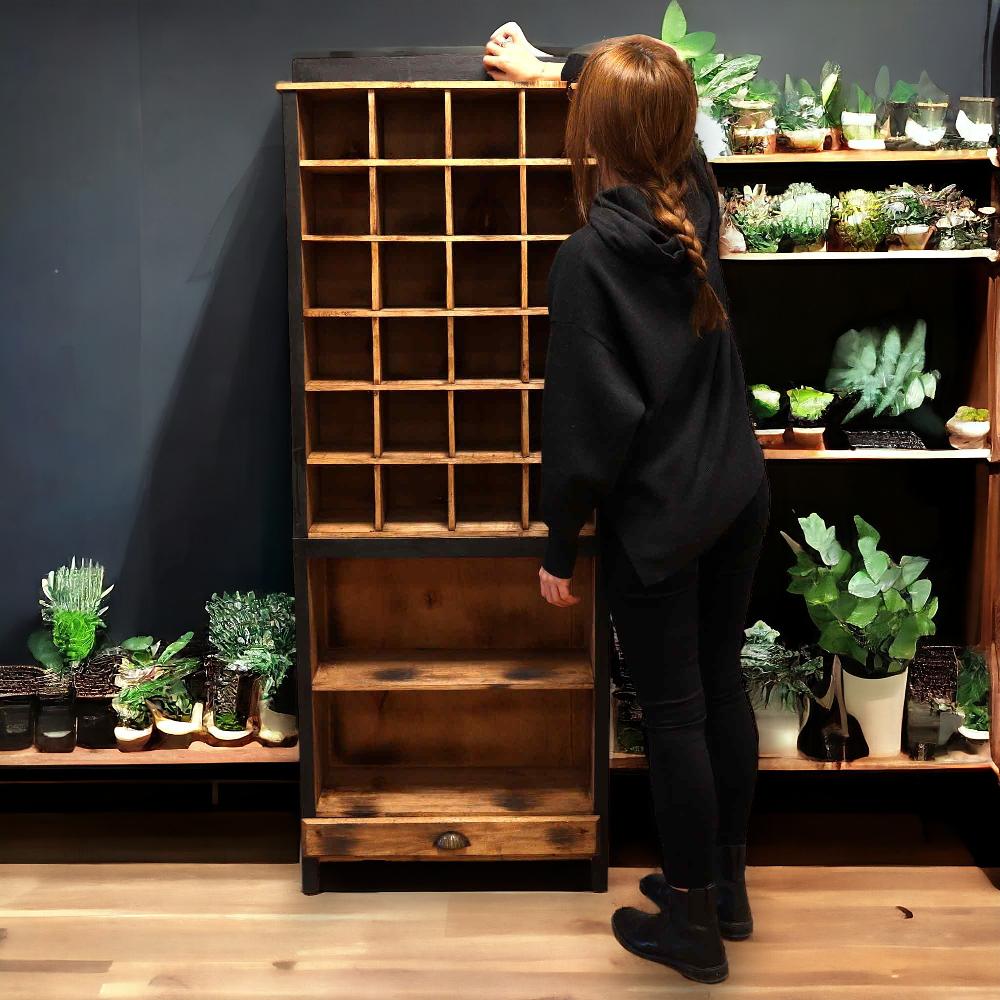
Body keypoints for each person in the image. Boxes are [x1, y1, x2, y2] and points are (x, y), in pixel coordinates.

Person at [491, 31, 769, 985]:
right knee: (721, 687)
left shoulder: (587, 260)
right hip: (736, 492)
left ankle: (690, 925)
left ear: (589, 132)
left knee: (677, 714)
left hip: (660, 522)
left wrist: (558, 548)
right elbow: (655, 99)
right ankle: (724, 888)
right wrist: (554, 65)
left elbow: (579, 434)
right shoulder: (695, 189)